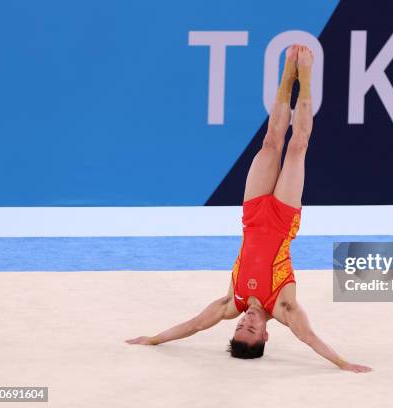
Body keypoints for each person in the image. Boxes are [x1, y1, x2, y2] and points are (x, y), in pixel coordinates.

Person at [126, 44, 371, 373]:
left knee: (271, 140)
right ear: (267, 335)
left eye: (240, 327)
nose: (247, 321)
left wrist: (154, 339)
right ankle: (307, 75)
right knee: (297, 147)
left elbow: (195, 325)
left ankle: (288, 72)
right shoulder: (284, 308)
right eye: (253, 329)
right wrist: (342, 363)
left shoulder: (231, 303)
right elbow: (309, 338)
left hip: (253, 217)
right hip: (284, 220)